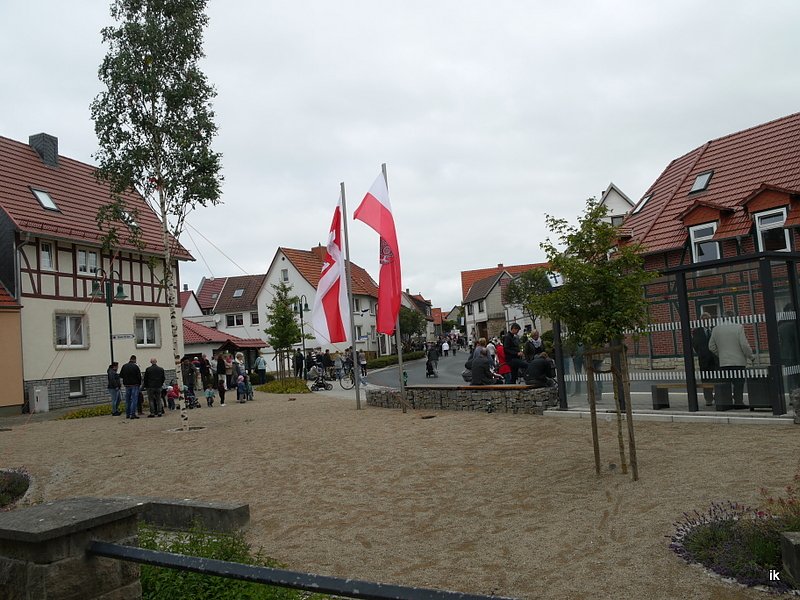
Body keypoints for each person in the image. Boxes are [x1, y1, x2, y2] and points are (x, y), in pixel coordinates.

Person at [709, 310, 753, 409]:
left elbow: (711, 346)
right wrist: (751, 356)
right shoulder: (738, 327)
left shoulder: (716, 329)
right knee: (738, 383)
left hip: (724, 362)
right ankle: (738, 402)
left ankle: (726, 403)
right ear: (734, 317)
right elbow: (744, 345)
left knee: (726, 383)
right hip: (738, 361)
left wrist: (720, 354)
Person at [691, 312, 718, 406]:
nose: (706, 321)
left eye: (708, 319)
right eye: (704, 320)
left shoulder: (715, 329)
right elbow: (695, 344)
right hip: (704, 360)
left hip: (716, 359)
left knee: (717, 379)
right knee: (706, 381)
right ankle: (708, 399)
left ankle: (718, 397)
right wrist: (702, 353)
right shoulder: (697, 331)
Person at [119, 355, 142, 420]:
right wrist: (139, 384)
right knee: (134, 400)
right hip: (135, 385)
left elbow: (121, 375)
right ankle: (133, 414)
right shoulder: (135, 366)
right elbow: (139, 376)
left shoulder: (124, 366)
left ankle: (127, 414)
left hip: (127, 385)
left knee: (127, 400)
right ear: (135, 360)